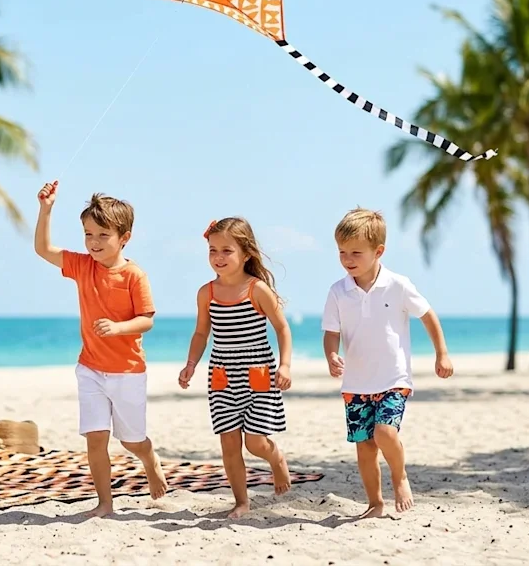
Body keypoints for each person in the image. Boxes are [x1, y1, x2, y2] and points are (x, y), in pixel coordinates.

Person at [33, 180, 168, 518]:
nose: (93, 242)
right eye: (88, 234)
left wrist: (119, 328)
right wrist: (45, 210)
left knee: (131, 442)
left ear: (124, 238)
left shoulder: (135, 276)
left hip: (128, 371)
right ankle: (105, 504)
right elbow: (43, 249)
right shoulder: (82, 266)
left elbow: (147, 319)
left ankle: (149, 459)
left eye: (102, 235)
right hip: (90, 369)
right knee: (95, 439)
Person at [321, 207, 453, 519]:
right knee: (365, 449)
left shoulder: (398, 284)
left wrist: (442, 353)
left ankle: (400, 476)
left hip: (394, 379)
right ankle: (375, 503)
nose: (348, 259)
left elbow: (428, 316)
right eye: (342, 252)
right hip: (355, 384)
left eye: (356, 252)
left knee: (384, 434)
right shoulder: (338, 291)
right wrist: (331, 355)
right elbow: (331, 331)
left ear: (378, 251)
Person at [178, 217, 293, 518]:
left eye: (226, 250)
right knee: (229, 442)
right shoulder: (207, 293)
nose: (218, 257)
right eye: (213, 250)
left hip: (258, 375)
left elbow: (282, 329)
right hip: (222, 375)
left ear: (246, 254)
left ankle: (276, 457)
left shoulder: (257, 290)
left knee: (255, 442)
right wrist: (191, 364)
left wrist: (285, 365)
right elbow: (202, 333)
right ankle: (241, 502)